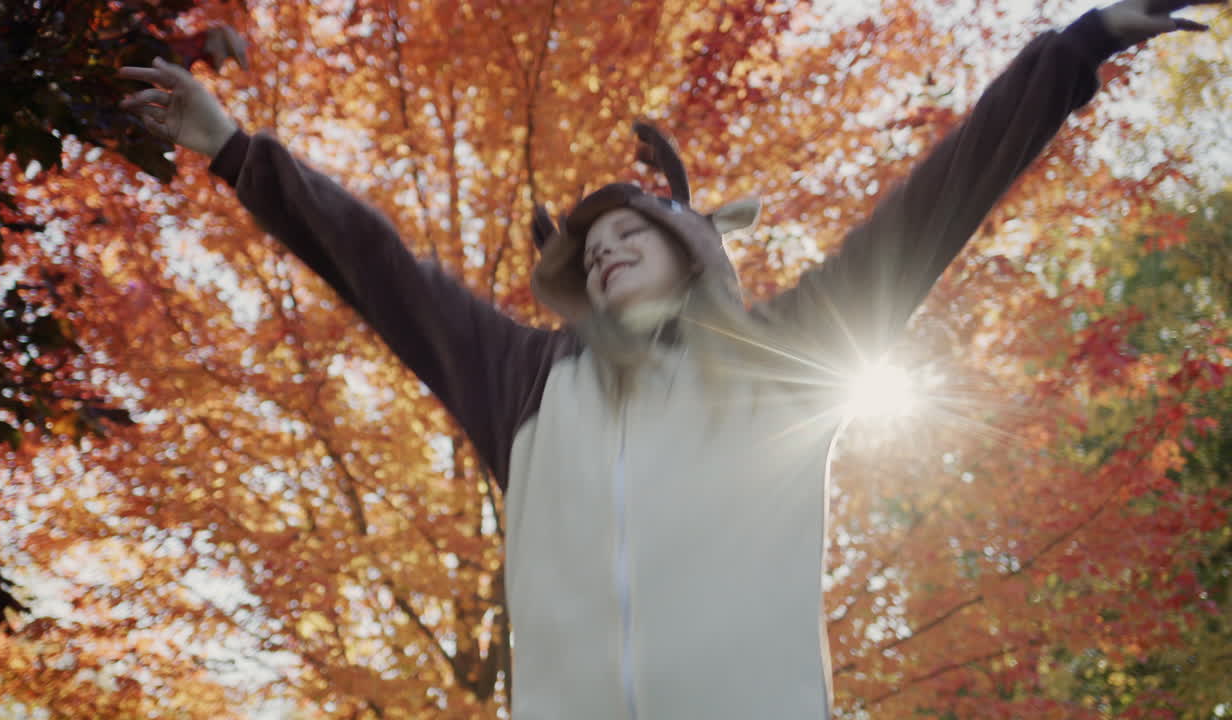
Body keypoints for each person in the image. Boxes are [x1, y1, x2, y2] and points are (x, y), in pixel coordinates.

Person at [118, 1, 1217, 717]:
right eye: (589, 251)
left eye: (630, 234)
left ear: (691, 253)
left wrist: (1077, 45)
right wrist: (234, 150)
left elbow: (938, 201)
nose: (604, 253)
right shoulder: (521, 386)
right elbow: (383, 272)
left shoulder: (781, 360)